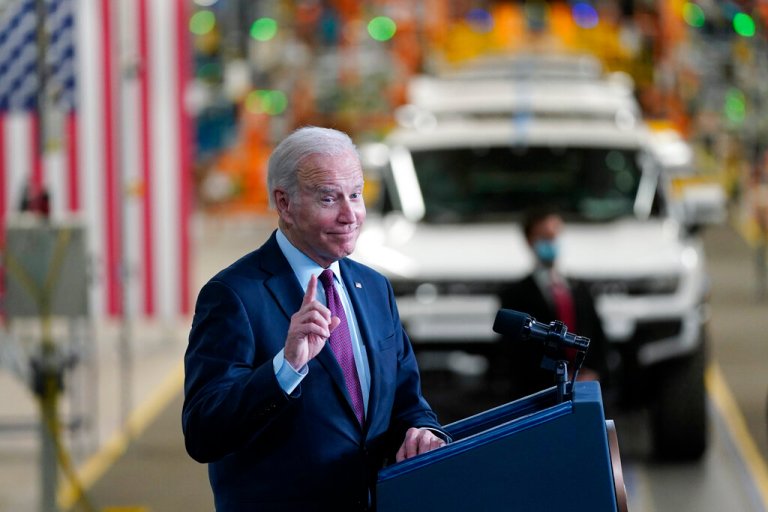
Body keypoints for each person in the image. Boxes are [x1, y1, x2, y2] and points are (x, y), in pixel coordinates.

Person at [182, 126, 448, 511]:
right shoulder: (234, 296)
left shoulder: (373, 288)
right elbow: (204, 433)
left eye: (356, 195)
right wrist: (284, 368)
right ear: (284, 203)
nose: (350, 214)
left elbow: (407, 402)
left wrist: (423, 431)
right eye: (329, 198)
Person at [499, 206, 607, 400]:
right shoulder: (514, 295)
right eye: (544, 237)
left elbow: (597, 337)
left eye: (554, 235)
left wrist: (592, 372)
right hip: (538, 394)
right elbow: (514, 353)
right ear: (530, 241)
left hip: (584, 389)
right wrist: (555, 378)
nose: (551, 242)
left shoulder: (580, 288)